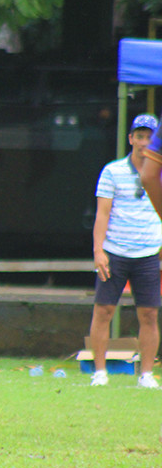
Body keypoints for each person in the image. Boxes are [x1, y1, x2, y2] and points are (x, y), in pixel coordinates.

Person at [90, 113, 161, 388]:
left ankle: (146, 374)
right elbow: (102, 214)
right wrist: (99, 250)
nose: (144, 142)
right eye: (139, 136)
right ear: (130, 138)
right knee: (104, 310)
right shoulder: (112, 171)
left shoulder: (159, 172)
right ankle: (99, 372)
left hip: (148, 253)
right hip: (116, 250)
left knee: (150, 314)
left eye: (149, 137)